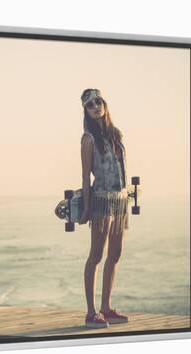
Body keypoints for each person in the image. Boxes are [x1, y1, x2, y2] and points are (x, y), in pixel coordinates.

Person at [78, 88, 130, 329]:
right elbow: (85, 177)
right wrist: (87, 207)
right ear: (86, 111)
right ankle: (91, 313)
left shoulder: (116, 134)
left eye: (99, 101)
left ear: (105, 104)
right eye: (90, 104)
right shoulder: (88, 139)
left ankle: (106, 309)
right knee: (96, 255)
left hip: (120, 200)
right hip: (100, 200)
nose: (96, 106)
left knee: (116, 254)